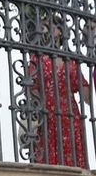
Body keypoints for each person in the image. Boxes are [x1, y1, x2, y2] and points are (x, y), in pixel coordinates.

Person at [26, 19, 90, 168]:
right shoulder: (38, 57)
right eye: (44, 27)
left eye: (50, 26)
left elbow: (84, 91)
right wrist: (42, 106)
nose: (46, 30)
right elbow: (31, 86)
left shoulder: (70, 60)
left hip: (70, 114)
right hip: (47, 113)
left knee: (73, 157)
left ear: (60, 31)